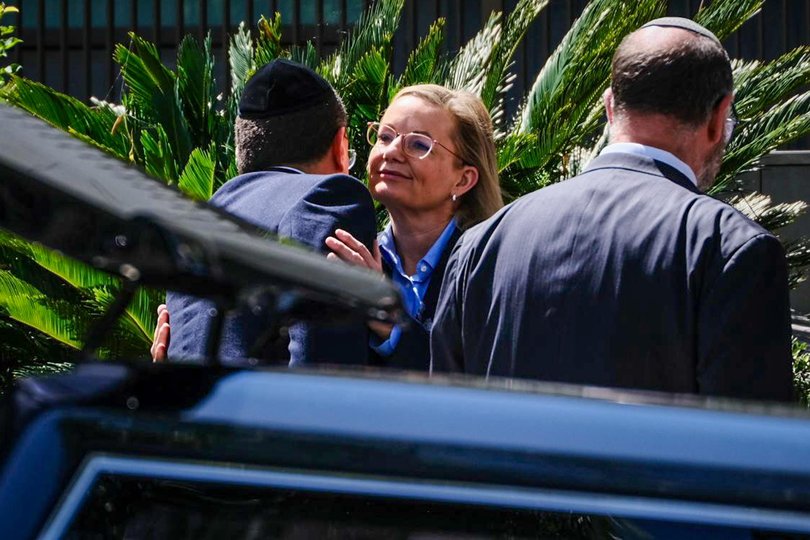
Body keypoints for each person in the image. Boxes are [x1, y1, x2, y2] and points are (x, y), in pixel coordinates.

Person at [430, 17, 794, 402]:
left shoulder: (481, 243)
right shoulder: (730, 248)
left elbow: (444, 413)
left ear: (609, 106)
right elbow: (750, 430)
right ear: (719, 119)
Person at [157, 59, 377, 366]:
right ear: (340, 147)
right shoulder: (329, 197)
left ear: (241, 152)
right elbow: (325, 370)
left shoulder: (198, 221)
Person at [325, 84, 503, 371]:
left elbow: (476, 379)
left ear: (463, 180)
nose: (392, 151)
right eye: (385, 136)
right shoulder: (352, 256)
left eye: (419, 144)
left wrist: (387, 320)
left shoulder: (490, 268)